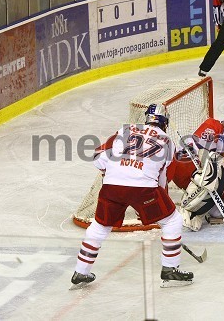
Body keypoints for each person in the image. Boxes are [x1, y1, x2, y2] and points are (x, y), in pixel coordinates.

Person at [71, 104, 193, 289]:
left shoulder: (124, 130)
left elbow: (97, 156)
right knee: (172, 221)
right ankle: (170, 269)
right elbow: (162, 179)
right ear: (165, 122)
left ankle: (81, 271)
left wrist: (109, 175)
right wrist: (150, 208)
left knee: (100, 226)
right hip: (144, 190)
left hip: (112, 187)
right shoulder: (168, 141)